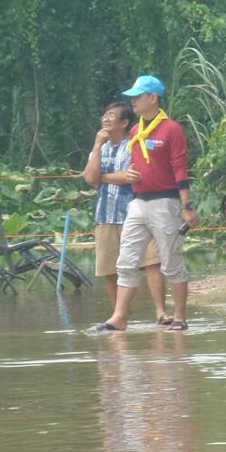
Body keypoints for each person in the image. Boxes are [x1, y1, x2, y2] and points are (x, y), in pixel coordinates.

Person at [93, 76, 201, 332]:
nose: (133, 101)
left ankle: (180, 317)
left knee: (170, 259)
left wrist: (187, 206)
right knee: (126, 260)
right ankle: (119, 317)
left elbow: (179, 169)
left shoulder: (171, 129)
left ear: (152, 98)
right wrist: (129, 173)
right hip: (138, 201)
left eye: (138, 96)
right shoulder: (135, 130)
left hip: (165, 201)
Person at [82, 100, 169, 322]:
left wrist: (103, 178)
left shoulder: (134, 143)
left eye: (111, 115)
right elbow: (90, 179)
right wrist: (96, 145)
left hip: (136, 212)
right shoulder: (99, 149)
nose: (105, 119)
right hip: (106, 215)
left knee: (151, 261)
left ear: (124, 122)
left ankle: (161, 311)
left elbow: (131, 175)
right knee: (109, 268)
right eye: (104, 115)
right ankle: (120, 315)